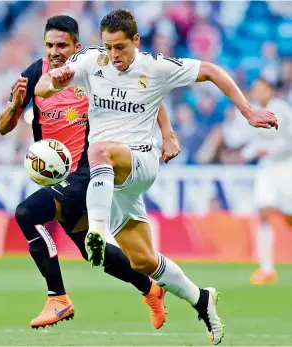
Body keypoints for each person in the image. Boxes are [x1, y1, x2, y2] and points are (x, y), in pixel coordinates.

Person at [35, 9, 278, 345]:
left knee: (98, 151)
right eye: (108, 47)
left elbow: (210, 70)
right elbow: (45, 83)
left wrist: (247, 110)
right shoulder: (92, 61)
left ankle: (97, 231)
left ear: (136, 40)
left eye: (120, 47)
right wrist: (51, 85)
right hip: (112, 182)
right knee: (143, 260)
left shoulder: (156, 67)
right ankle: (201, 298)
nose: (114, 55)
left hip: (140, 161)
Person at [0, 15, 178, 330]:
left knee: (27, 213)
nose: (55, 51)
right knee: (93, 253)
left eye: (62, 45)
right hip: (59, 176)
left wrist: (168, 134)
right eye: (50, 45)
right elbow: (2, 128)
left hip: (91, 168)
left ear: (76, 46)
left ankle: (58, 299)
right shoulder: (35, 75)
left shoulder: (98, 66)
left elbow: (147, 91)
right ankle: (151, 288)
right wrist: (14, 107)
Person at [238, 78, 292, 284]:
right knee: (264, 212)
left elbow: (289, 141)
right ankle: (267, 269)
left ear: (270, 90)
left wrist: (268, 150)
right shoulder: (252, 112)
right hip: (267, 169)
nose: (258, 92)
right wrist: (247, 153)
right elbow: (253, 142)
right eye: (255, 89)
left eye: (261, 89)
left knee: (289, 218)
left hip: (286, 167)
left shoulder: (283, 110)